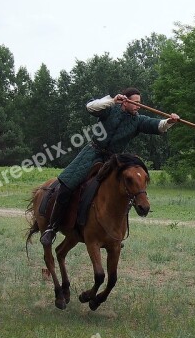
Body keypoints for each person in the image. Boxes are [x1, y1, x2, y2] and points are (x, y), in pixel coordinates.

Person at [39, 88, 180, 245]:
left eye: (140, 103)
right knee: (67, 186)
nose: (138, 106)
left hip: (113, 161)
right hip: (91, 154)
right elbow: (90, 107)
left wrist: (169, 121)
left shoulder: (138, 120)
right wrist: (112, 100)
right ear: (125, 101)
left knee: (123, 191)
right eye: (136, 103)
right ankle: (52, 228)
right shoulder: (109, 109)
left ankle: (115, 234)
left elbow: (157, 125)